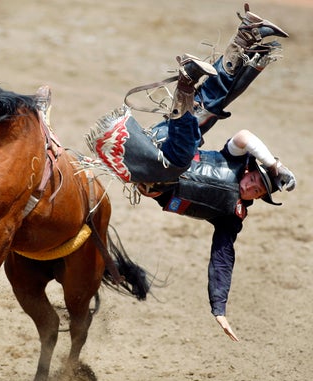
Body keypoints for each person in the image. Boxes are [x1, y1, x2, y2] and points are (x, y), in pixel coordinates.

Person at [86, 3, 296, 341]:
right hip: (166, 145)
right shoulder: (235, 160)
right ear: (251, 171)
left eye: (259, 190)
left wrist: (219, 308)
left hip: (156, 177)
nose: (254, 187)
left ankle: (247, 34)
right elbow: (244, 137)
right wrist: (276, 166)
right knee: (194, 137)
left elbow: (222, 260)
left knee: (214, 101)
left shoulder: (232, 217)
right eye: (257, 179)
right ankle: (186, 82)